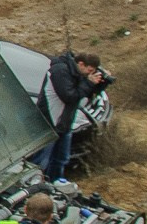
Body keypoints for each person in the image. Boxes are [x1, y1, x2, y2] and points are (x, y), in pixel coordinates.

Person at [36, 50, 109, 181]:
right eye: (90, 70)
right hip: (49, 123)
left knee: (61, 159)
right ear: (81, 64)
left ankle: (55, 183)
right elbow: (69, 96)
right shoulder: (60, 71)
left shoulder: (78, 73)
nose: (90, 74)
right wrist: (88, 82)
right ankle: (35, 184)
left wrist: (102, 83)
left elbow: (86, 94)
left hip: (65, 123)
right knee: (41, 160)